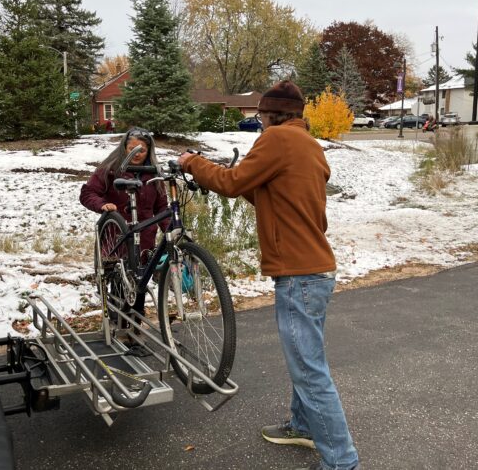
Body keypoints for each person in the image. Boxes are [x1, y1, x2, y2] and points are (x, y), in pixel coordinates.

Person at [178, 81, 359, 470]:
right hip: (317, 270)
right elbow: (274, 195)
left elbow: (230, 184)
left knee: (309, 371)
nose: (259, 122)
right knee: (306, 360)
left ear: (273, 114)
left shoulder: (276, 140)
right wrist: (244, 178)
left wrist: (192, 162)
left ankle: (342, 463)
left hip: (298, 275)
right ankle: (302, 426)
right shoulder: (308, 144)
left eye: (260, 115)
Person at [80, 127, 169, 316]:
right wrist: (103, 205)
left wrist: (170, 231)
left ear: (149, 151)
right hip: (117, 236)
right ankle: (117, 324)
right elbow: (88, 193)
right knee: (120, 284)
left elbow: (161, 207)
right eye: (132, 149)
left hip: (145, 237)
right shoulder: (111, 170)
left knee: (140, 283)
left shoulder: (154, 174)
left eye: (142, 150)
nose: (137, 153)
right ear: (124, 148)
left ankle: (135, 327)